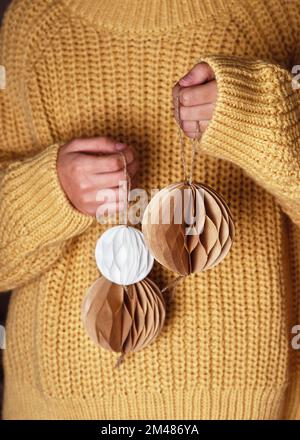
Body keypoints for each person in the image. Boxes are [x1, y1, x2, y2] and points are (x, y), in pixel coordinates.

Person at [0, 0, 299, 420]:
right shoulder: (34, 23)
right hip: (60, 404)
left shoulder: (278, 13)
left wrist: (259, 118)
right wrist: (50, 192)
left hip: (250, 401)